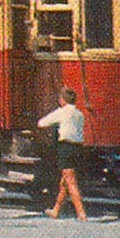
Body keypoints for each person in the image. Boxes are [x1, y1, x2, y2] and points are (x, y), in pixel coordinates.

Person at [39, 87, 88, 220]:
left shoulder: (62, 112)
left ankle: (81, 212)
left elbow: (42, 123)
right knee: (64, 182)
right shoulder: (79, 113)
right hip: (77, 148)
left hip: (65, 148)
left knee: (70, 181)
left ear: (62, 100)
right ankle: (56, 210)